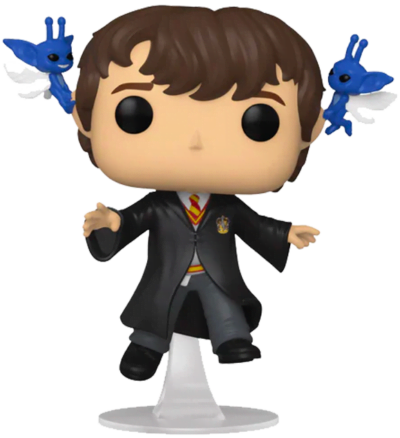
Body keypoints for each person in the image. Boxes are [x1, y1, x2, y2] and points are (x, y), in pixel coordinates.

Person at [75, 5, 324, 381]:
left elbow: (254, 225)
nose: (195, 142)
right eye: (136, 113)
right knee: (157, 313)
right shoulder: (159, 205)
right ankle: (146, 348)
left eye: (258, 122)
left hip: (215, 273)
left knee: (224, 306)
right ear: (85, 119)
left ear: (309, 131)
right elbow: (131, 222)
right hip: (168, 275)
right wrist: (111, 223)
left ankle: (232, 341)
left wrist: (286, 232)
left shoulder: (227, 206)